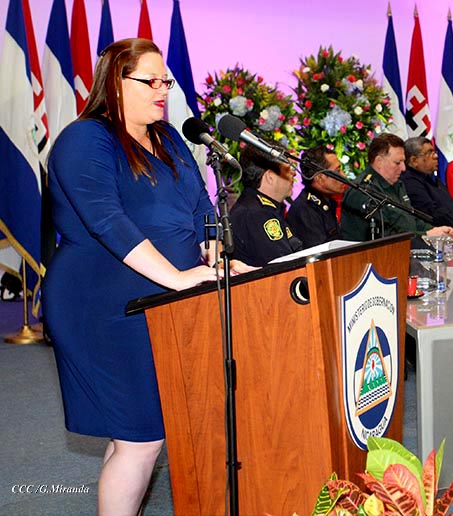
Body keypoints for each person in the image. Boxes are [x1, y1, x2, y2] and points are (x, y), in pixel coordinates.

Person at [42, 38, 236, 515]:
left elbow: (200, 206)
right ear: (116, 81)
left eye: (165, 81)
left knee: (135, 433)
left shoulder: (168, 138)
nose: (162, 90)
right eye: (150, 81)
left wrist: (214, 254)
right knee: (144, 436)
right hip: (101, 308)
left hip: (159, 301)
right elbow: (107, 221)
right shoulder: (85, 139)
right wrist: (177, 277)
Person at [341, 133, 452, 241]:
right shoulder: (363, 191)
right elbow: (384, 235)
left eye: (403, 162)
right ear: (379, 162)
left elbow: (410, 219)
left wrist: (434, 230)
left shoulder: (397, 184)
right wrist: (425, 235)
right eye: (398, 163)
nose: (403, 168)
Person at [229, 144, 304, 266]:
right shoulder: (257, 214)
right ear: (270, 177)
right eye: (287, 169)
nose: (294, 174)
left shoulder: (259, 208)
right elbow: (282, 266)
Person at [400, 137, 453, 228]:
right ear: (414, 160)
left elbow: (452, 210)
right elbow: (433, 214)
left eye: (434, 152)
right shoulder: (410, 182)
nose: (436, 156)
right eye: (429, 153)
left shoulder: (432, 178)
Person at [287, 146, 346, 248]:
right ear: (319, 178)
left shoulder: (326, 202)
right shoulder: (305, 209)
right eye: (337, 171)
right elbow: (320, 253)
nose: (344, 176)